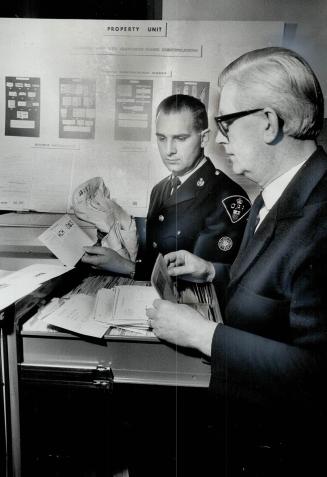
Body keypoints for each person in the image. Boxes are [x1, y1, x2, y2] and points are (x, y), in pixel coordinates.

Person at [146, 47, 327, 475]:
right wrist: (212, 270)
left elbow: (318, 374)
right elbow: (278, 288)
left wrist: (203, 334)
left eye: (226, 121)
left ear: (268, 122)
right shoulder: (273, 193)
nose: (220, 137)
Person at [82, 94, 250, 278]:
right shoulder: (160, 189)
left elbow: (200, 281)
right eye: (162, 138)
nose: (169, 150)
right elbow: (154, 253)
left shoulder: (227, 198)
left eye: (180, 138)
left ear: (204, 138)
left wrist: (127, 267)